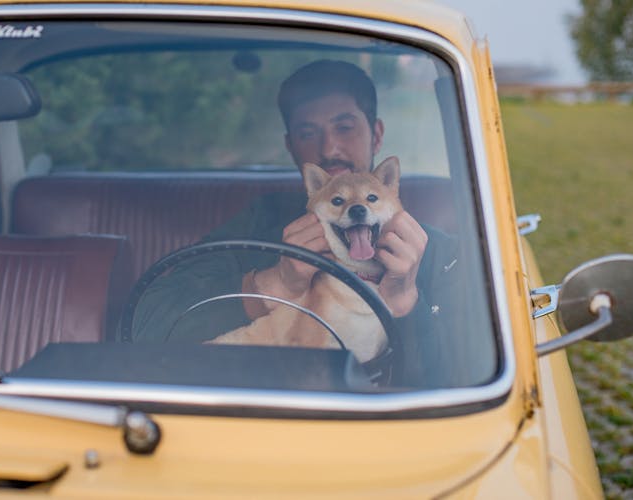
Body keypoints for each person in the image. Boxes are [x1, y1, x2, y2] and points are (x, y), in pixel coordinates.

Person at [132, 60, 462, 387]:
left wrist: (405, 299)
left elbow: (465, 383)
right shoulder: (258, 225)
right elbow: (146, 326)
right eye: (308, 133)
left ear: (376, 135)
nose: (329, 148)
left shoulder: (434, 251)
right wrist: (274, 283)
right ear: (292, 148)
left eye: (344, 128)